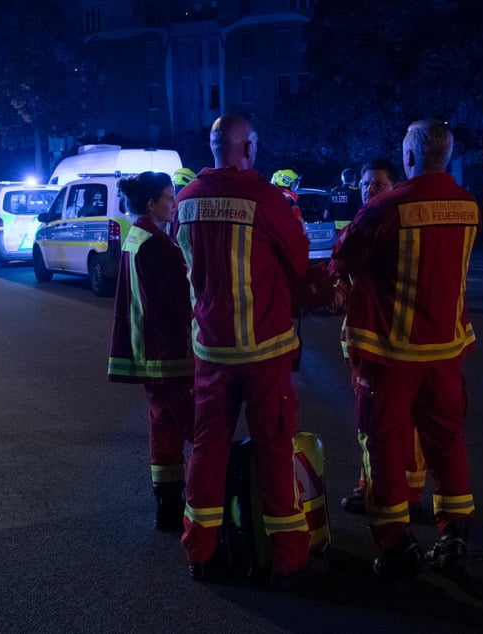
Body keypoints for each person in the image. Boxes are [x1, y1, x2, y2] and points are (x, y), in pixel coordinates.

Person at [331, 119, 479, 583]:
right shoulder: (468, 206)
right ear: (447, 158)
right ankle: (454, 537)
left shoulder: (387, 207)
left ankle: (395, 544)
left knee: (385, 444)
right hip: (446, 350)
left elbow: (344, 257)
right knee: (447, 442)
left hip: (391, 354)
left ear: (410, 157)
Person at [176, 114, 311, 588]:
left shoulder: (186, 200)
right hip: (264, 348)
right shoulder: (264, 198)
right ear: (248, 147)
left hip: (211, 350)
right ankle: (289, 560)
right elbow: (297, 260)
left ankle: (200, 551)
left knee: (208, 448)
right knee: (274, 449)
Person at [331, 159, 429, 522]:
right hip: (362, 336)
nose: (369, 190)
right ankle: (371, 483)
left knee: (398, 419)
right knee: (369, 420)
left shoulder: (393, 224)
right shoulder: (362, 222)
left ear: (395, 186)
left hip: (389, 339)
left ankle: (407, 489)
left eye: (378, 184)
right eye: (365, 183)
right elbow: (338, 268)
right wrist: (336, 286)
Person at [108, 171, 195, 533]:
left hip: (150, 352)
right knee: (199, 428)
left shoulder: (138, 236)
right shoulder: (156, 244)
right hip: (168, 352)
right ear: (151, 204)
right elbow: (178, 300)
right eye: (169, 197)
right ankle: (204, 508)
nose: (174, 203)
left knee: (164, 430)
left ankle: (168, 508)